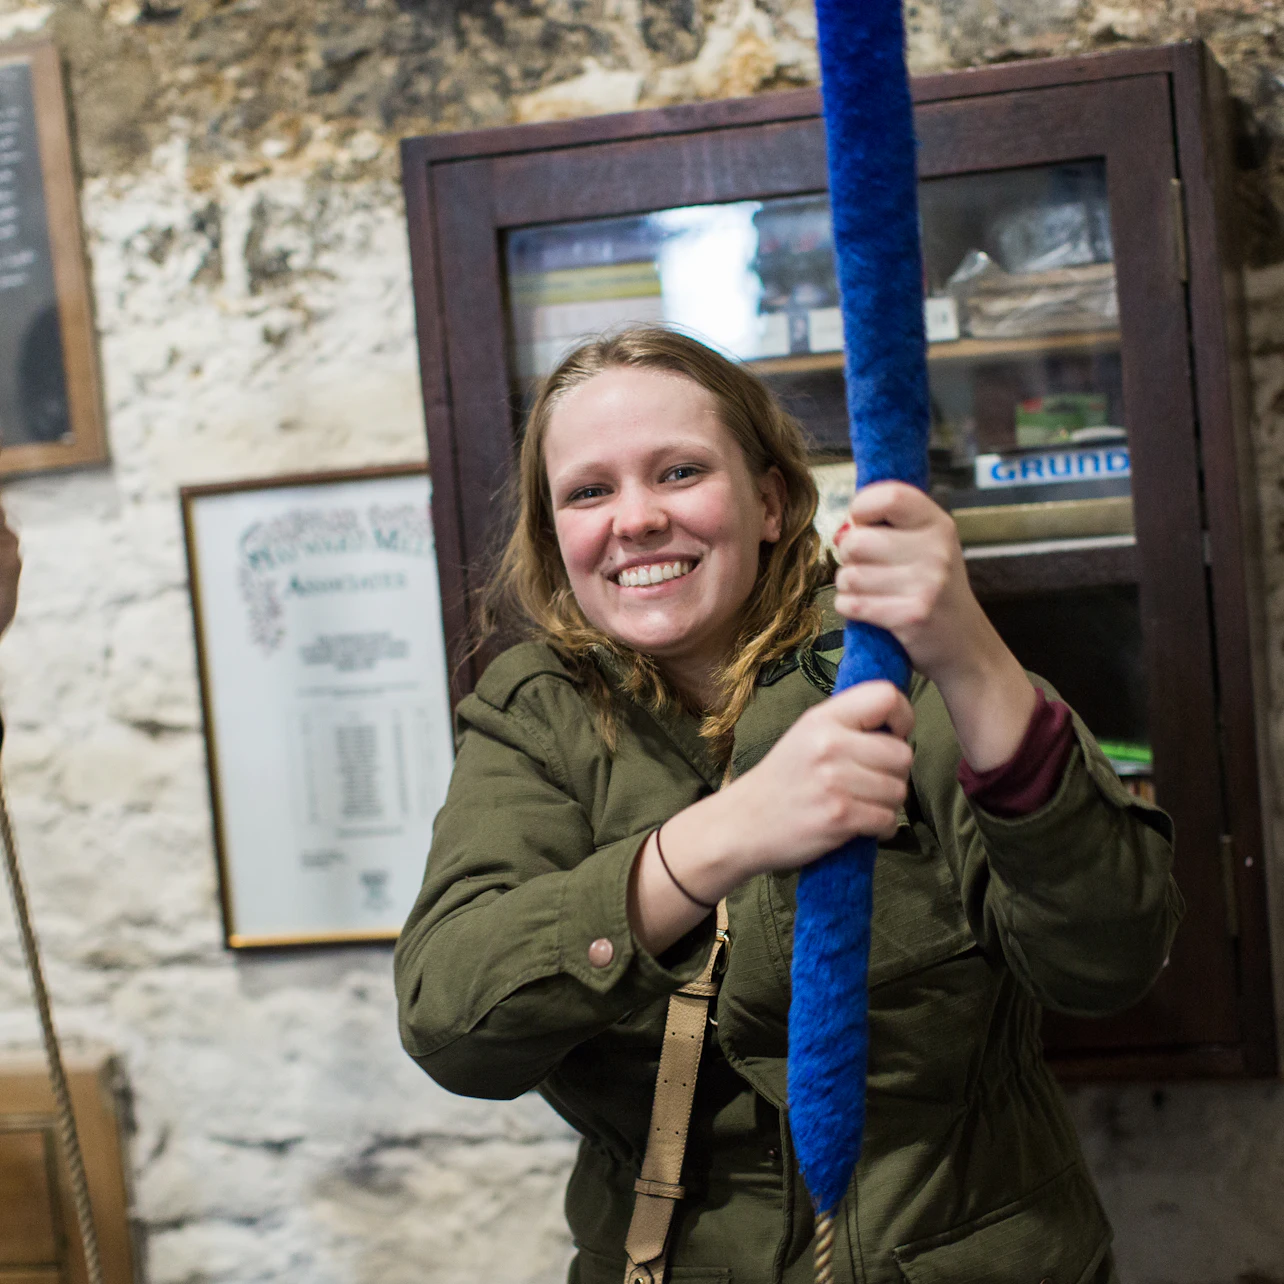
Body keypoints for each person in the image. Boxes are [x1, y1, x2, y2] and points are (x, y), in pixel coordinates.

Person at [394, 327, 1180, 1284]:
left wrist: (969, 652)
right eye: (589, 491)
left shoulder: (892, 667)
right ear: (557, 534)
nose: (636, 519)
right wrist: (717, 841)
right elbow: (452, 1025)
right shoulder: (535, 716)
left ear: (769, 502)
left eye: (680, 472)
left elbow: (1109, 957)